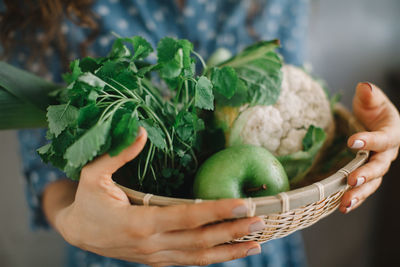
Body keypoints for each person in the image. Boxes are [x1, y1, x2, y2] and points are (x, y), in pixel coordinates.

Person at [1, 0, 399, 266]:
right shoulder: (41, 8)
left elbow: (287, 91)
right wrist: (75, 224)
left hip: (257, 243)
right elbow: (53, 169)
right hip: (122, 250)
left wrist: (362, 142)